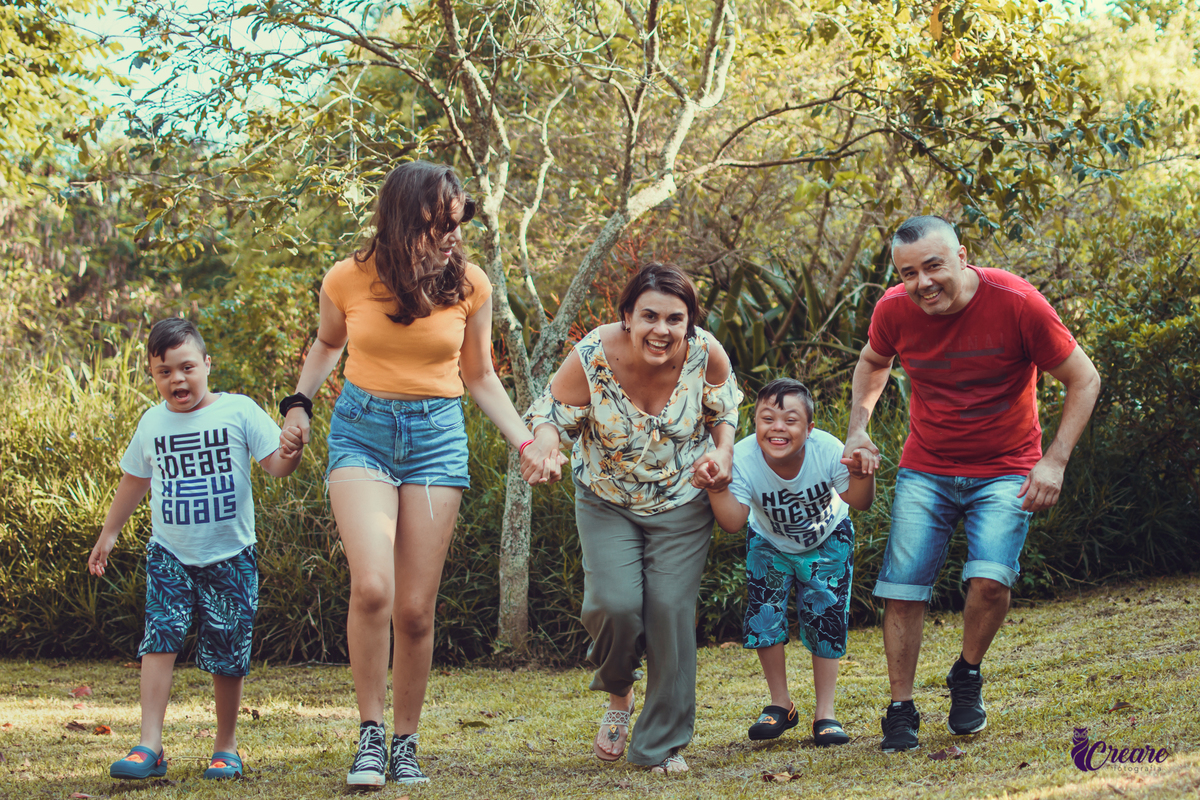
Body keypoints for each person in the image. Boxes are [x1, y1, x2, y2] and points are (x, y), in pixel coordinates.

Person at [276, 160, 557, 789]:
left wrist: (524, 443)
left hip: (437, 437)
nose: (450, 230)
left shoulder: (470, 285)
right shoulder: (347, 278)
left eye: (456, 219)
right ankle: (370, 737)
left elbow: (480, 376)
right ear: (407, 213)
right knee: (372, 588)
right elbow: (326, 345)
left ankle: (406, 742)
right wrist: (299, 403)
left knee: (415, 609)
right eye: (439, 217)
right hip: (362, 432)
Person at [844, 215, 1101, 752]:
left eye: (933, 266)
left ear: (963, 256)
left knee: (991, 581)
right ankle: (901, 708)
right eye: (908, 273)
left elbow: (1085, 377)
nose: (922, 283)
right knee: (903, 586)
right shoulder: (894, 309)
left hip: (1007, 465)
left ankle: (967, 673)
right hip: (927, 466)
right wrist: (858, 429)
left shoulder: (1016, 302)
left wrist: (1053, 460)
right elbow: (873, 362)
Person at [521, 262, 743, 774]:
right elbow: (551, 417)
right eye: (649, 316)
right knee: (613, 605)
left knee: (669, 610)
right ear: (627, 316)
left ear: (689, 324)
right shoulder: (593, 355)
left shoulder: (706, 355)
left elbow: (723, 409)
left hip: (684, 500)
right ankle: (619, 691)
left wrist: (724, 454)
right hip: (606, 499)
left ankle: (660, 745)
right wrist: (548, 450)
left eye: (675, 319)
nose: (661, 330)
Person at [88, 318, 303, 781]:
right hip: (170, 553)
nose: (177, 380)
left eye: (187, 367)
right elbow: (135, 479)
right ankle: (150, 745)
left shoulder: (239, 411)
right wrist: (109, 533)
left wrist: (294, 449)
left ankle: (225, 746)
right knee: (159, 638)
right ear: (152, 375)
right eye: (164, 372)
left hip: (231, 554)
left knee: (228, 649)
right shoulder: (152, 421)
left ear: (207, 364)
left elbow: (276, 467)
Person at [705, 378, 874, 746]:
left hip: (828, 538)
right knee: (765, 616)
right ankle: (781, 705)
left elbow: (860, 501)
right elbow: (733, 523)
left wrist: (862, 475)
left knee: (826, 619)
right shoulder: (744, 458)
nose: (777, 428)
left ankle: (825, 713)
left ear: (809, 428)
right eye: (767, 419)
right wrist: (717, 489)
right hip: (768, 540)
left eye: (790, 420)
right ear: (755, 425)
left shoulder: (828, 450)